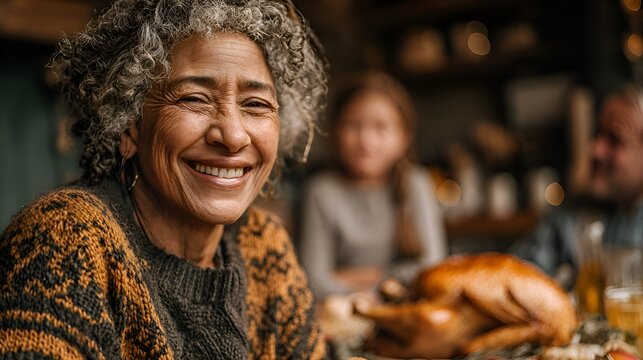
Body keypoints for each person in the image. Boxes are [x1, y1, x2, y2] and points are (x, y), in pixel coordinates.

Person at [0, 0, 329, 358]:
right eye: (194, 98)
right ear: (128, 124)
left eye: (256, 104)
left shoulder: (264, 246)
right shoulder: (68, 236)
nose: (234, 136)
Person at [298, 71, 448, 301]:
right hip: (342, 318)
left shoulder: (415, 184)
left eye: (381, 127)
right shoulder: (321, 191)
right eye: (353, 125)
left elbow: (432, 268)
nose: (366, 141)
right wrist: (391, 282)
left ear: (404, 137)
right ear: (336, 132)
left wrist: (355, 278)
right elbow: (313, 281)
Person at [514, 84, 643, 285]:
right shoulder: (569, 217)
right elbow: (515, 275)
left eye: (615, 140)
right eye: (598, 134)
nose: (595, 150)